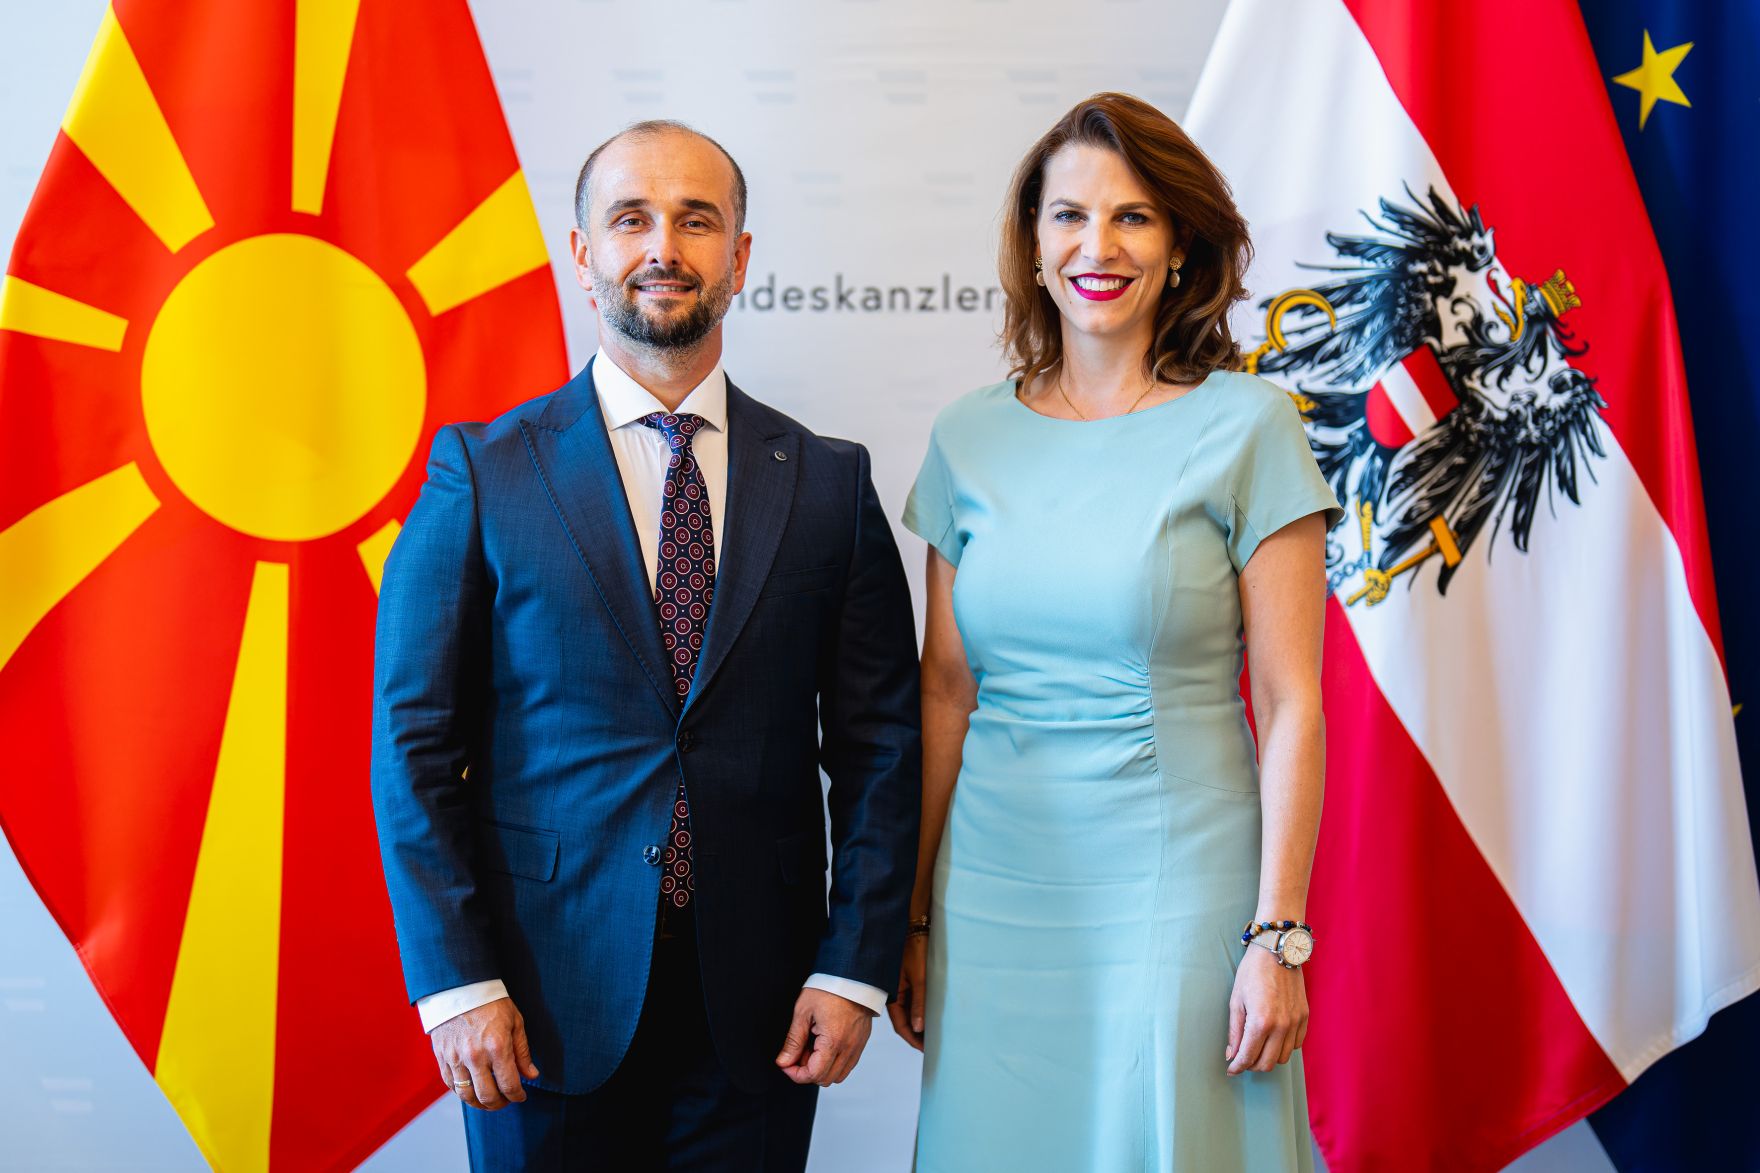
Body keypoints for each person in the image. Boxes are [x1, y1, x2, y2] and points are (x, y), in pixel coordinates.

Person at [371, 120, 921, 1172]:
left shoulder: (828, 483)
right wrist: (457, 984)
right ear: (583, 255)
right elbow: (412, 748)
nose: (662, 245)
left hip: (761, 1013)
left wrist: (853, 967)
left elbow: (880, 748)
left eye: (696, 220)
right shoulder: (481, 474)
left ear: (740, 257)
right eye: (630, 219)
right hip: (535, 1007)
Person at [891, 93, 1341, 1172]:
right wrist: (908, 920)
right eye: (1068, 218)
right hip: (991, 888)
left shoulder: (1249, 425)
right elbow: (944, 693)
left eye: (1133, 217)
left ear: (1180, 246)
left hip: (1178, 885)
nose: (1098, 246)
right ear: (1033, 246)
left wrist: (1276, 935)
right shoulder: (966, 436)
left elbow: (1288, 705)